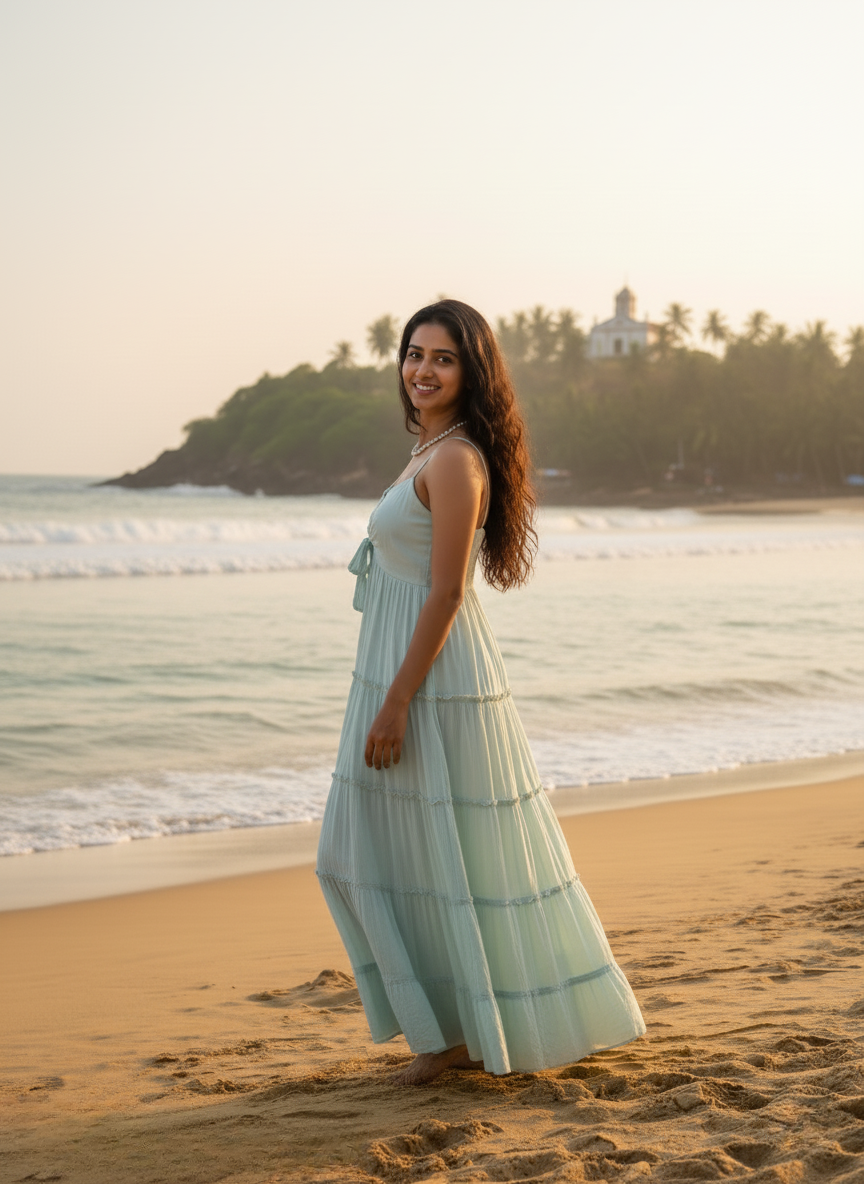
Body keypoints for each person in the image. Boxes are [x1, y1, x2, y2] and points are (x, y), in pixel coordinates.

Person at [316, 299, 645, 1085]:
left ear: (472, 372)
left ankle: (454, 1037)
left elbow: (446, 593)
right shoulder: (427, 449)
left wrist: (396, 703)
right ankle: (451, 1029)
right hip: (396, 670)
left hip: (433, 679)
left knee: (413, 853)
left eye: (443, 358)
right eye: (414, 354)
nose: (422, 369)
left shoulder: (457, 461)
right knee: (381, 854)